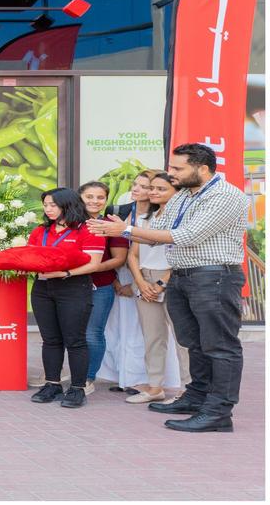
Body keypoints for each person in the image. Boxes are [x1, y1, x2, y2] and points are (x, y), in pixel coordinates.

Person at [88, 143, 249, 432]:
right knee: (192, 342)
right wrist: (119, 231)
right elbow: (159, 234)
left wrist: (126, 230)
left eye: (177, 168)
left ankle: (219, 412)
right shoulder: (184, 195)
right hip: (183, 277)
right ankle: (196, 397)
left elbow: (187, 235)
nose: (170, 173)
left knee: (220, 346)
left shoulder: (225, 195)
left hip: (214, 277)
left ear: (202, 168)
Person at [27, 187, 107, 408]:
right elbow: (31, 256)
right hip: (42, 288)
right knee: (50, 339)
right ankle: (52, 384)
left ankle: (77, 388)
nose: (48, 209)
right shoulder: (41, 230)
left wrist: (65, 273)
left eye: (53, 205)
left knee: (75, 340)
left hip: (73, 287)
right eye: (46, 205)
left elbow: (94, 264)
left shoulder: (88, 229)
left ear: (68, 205)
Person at [123, 171, 188, 403]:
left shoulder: (183, 219)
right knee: (152, 337)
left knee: (183, 339)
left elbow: (183, 253)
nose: (153, 192)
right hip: (144, 279)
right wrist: (141, 282)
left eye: (161, 189)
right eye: (152, 188)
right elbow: (133, 254)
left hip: (173, 278)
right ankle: (155, 387)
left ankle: (187, 389)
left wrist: (162, 283)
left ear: (176, 193)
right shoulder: (144, 219)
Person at [78, 181, 130, 395]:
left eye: (100, 197)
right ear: (80, 198)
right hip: (69, 286)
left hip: (100, 286)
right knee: (69, 334)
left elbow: (119, 259)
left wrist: (90, 268)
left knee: (92, 333)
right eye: (89, 196)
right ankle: (71, 373)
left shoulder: (112, 225)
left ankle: (87, 378)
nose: (95, 201)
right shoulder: (70, 223)